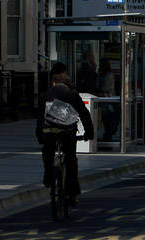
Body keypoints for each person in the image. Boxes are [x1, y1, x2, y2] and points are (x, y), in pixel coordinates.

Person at [36, 73, 94, 206]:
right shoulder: (73, 95)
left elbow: (39, 118)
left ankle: (48, 173)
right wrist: (89, 133)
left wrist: (40, 136)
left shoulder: (45, 95)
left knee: (48, 150)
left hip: (49, 131)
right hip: (68, 132)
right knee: (71, 159)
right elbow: (85, 115)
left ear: (54, 83)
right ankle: (71, 193)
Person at [96, 58, 118, 143]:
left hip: (108, 99)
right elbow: (97, 85)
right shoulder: (101, 74)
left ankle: (108, 137)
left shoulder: (109, 74)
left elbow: (105, 87)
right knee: (103, 118)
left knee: (107, 118)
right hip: (102, 98)